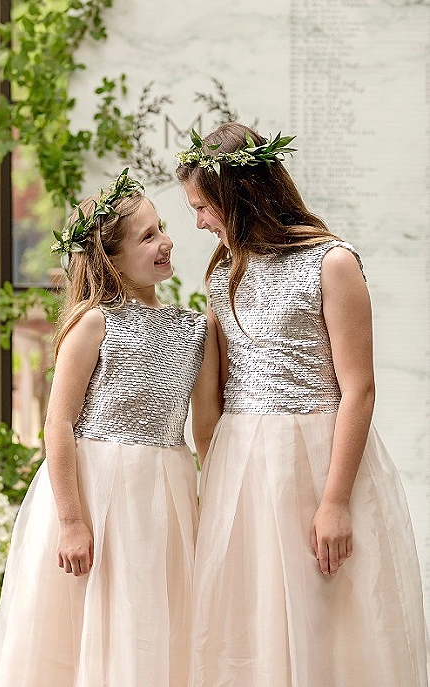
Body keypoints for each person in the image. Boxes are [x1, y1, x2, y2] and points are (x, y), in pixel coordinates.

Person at [176, 123, 429, 687]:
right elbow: (221, 385)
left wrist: (334, 503)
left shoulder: (331, 262)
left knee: (326, 612)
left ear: (239, 196)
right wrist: (213, 473)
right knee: (252, 613)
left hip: (319, 458)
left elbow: (359, 389)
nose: (199, 223)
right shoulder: (223, 271)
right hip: (243, 463)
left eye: (203, 207)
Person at [0, 169, 213, 687]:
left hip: (166, 491)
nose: (165, 241)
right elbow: (58, 423)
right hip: (98, 489)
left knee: (152, 615)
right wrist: (71, 521)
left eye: (162, 228)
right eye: (147, 236)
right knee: (91, 619)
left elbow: (206, 428)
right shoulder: (95, 323)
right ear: (111, 259)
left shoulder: (195, 328)